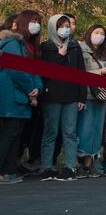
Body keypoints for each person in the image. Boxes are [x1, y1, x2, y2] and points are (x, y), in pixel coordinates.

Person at [39, 14, 86, 182]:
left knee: (70, 133)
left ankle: (69, 166)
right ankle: (46, 167)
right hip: (51, 96)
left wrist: (82, 96)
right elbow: (45, 73)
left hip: (72, 97)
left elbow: (81, 72)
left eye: (67, 25)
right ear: (53, 27)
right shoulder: (45, 47)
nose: (65, 29)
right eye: (61, 25)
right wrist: (59, 56)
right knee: (50, 132)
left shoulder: (74, 46)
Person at [0, 11, 42, 184]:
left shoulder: (25, 46)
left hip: (20, 100)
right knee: (8, 135)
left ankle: (9, 170)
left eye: (38, 22)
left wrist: (37, 87)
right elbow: (17, 71)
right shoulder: (11, 44)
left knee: (15, 135)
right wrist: (30, 88)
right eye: (33, 22)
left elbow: (34, 71)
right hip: (11, 99)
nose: (36, 25)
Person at [77, 24, 106, 178]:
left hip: (102, 95)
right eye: (96, 32)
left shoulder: (104, 53)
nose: (99, 35)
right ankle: (80, 162)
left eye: (102, 33)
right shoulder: (81, 50)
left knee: (96, 130)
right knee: (84, 129)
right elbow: (80, 73)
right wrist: (99, 72)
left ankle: (91, 162)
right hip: (86, 94)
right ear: (89, 33)